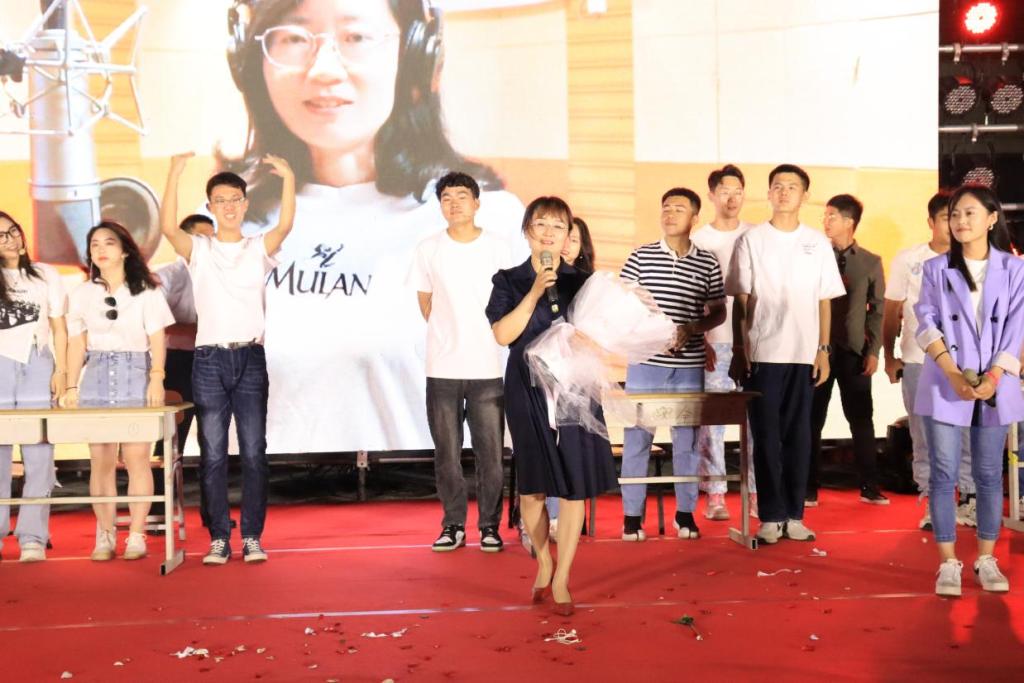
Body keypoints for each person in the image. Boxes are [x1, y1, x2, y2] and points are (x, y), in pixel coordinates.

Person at [223, 0, 526, 454]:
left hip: (417, 486)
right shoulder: (228, 220)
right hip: (264, 487)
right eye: (293, 38)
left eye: (356, 37)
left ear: (416, 53)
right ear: (251, 60)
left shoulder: (490, 220)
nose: (323, 70)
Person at [160, 151, 296, 565]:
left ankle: (252, 536)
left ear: (245, 203)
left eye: (235, 199)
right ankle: (220, 536)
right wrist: (174, 173)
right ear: (211, 206)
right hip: (208, 360)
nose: (229, 206)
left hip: (250, 356)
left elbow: (285, 225)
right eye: (221, 200)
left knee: (254, 451)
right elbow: (168, 228)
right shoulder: (200, 249)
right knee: (213, 452)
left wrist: (289, 177)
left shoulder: (257, 248)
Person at [487, 196, 617, 616]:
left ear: (567, 236)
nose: (549, 233)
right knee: (533, 486)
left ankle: (562, 577)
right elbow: (503, 335)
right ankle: (543, 561)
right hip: (527, 387)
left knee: (575, 483)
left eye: (558, 227)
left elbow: (601, 338)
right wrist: (533, 292)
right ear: (528, 231)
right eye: (541, 224)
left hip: (574, 388)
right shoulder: (508, 280)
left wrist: (587, 339)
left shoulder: (582, 282)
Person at [913, 185, 1024, 597]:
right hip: (945, 380)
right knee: (943, 472)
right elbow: (926, 324)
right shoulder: (935, 269)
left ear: (992, 218)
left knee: (989, 474)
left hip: (997, 382)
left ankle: (986, 557)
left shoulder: (1014, 269)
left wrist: (994, 376)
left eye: (969, 213)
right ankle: (947, 562)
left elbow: (1016, 330)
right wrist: (953, 374)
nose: (960, 221)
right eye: (954, 214)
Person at [727, 164, 846, 545]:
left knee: (799, 436)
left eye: (792, 187)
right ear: (769, 193)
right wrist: (741, 347)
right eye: (777, 186)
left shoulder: (817, 242)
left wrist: (823, 349)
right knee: (766, 437)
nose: (784, 192)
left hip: (804, 354)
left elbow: (825, 300)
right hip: (763, 353)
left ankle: (794, 514)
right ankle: (771, 515)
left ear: (804, 196)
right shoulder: (751, 240)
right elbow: (741, 300)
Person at [407, 172, 514, 553]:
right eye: (447, 198)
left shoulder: (498, 247)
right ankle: (453, 524)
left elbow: (509, 299)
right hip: (442, 368)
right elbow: (425, 301)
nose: (454, 204)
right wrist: (447, 333)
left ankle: (489, 526)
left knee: (491, 455)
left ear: (477, 203)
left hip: (487, 367)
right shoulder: (428, 248)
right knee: (447, 454)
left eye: (462, 196)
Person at [619, 188, 726, 541]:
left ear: (694, 217)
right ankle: (632, 517)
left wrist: (692, 328)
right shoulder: (641, 256)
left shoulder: (707, 261)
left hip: (689, 364)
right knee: (637, 438)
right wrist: (655, 334)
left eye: (679, 209)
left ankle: (685, 514)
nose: (670, 214)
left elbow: (718, 312)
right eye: (666, 207)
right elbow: (623, 306)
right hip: (645, 361)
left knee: (687, 441)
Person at [64, 222, 174, 562]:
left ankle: (137, 534)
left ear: (125, 250)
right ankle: (105, 533)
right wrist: (70, 385)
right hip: (96, 373)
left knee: (137, 458)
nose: (101, 249)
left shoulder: (147, 290)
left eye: (109, 243)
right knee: (101, 461)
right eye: (94, 244)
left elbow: (158, 338)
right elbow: (76, 343)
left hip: (135, 371)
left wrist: (157, 377)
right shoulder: (82, 293)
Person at [883, 191, 975, 530]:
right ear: (931, 222)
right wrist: (889, 355)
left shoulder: (974, 259)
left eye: (960, 217)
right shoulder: (909, 259)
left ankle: (968, 499)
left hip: (965, 364)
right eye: (946, 218)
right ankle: (934, 503)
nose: (954, 224)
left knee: (965, 433)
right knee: (923, 436)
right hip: (918, 360)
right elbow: (892, 309)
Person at [808, 195, 888, 506]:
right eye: (825, 215)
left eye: (832, 216)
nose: (826, 221)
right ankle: (807, 486)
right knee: (812, 419)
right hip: (818, 350)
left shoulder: (870, 261)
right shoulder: (815, 256)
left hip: (855, 350)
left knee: (861, 419)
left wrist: (874, 351)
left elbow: (877, 310)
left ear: (849, 222)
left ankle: (870, 485)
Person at [691, 164, 757, 521]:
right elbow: (691, 296)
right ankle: (715, 494)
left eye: (738, 192)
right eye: (725, 192)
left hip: (753, 345)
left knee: (756, 423)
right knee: (713, 423)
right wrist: (700, 338)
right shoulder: (699, 239)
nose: (732, 198)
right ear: (712, 195)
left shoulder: (756, 235)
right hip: (715, 343)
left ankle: (756, 493)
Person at [0, 212, 66, 563]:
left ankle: (33, 537)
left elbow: (60, 327)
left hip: (37, 361)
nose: (9, 239)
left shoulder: (45, 274)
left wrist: (62, 371)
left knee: (39, 453)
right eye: (0, 236)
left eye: (12, 231)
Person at [153, 214, 216, 527]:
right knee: (168, 437)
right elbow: (157, 324)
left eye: (213, 238)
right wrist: (198, 327)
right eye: (203, 238)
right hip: (178, 361)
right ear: (183, 241)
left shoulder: (221, 274)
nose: (211, 244)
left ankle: (213, 512)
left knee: (213, 438)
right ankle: (158, 510)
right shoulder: (166, 275)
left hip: (213, 359)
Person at [541, 215, 595, 541]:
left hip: (578, 375)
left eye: (574, 239)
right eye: (565, 237)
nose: (567, 245)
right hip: (546, 371)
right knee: (550, 444)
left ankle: (571, 513)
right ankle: (550, 515)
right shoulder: (541, 279)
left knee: (575, 445)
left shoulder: (589, 284)